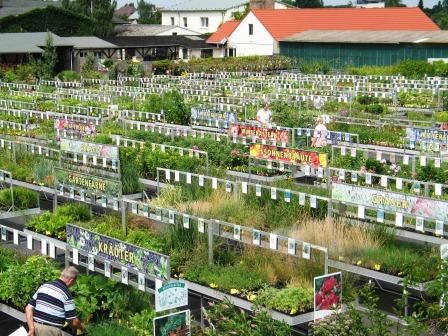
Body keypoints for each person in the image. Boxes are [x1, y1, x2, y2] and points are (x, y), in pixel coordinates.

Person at [25, 266, 85, 336]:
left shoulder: (44, 286)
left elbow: (28, 309)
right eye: (74, 282)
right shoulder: (66, 294)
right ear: (71, 280)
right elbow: (74, 322)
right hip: (50, 331)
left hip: (35, 327)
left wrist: (31, 328)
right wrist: (82, 328)